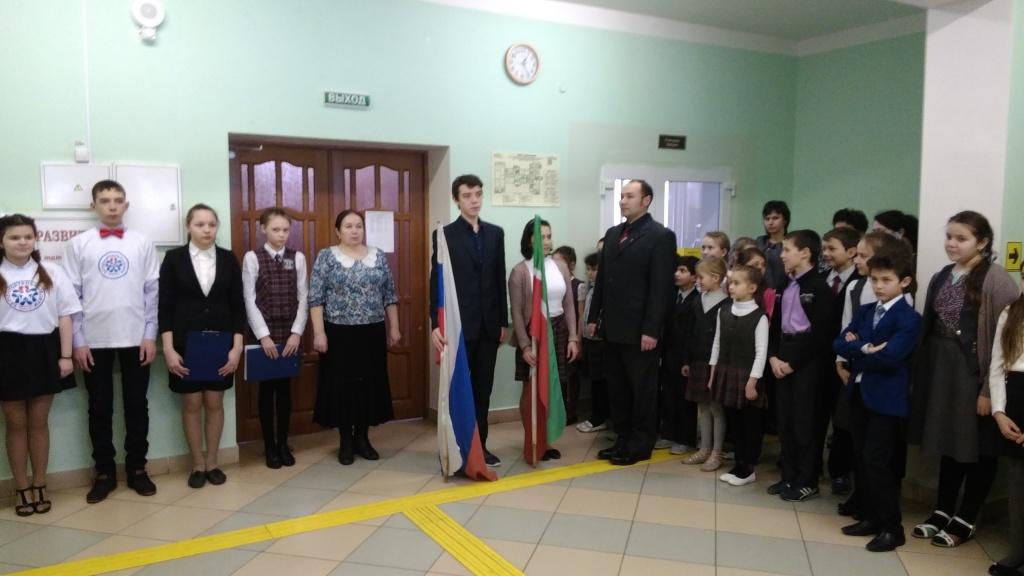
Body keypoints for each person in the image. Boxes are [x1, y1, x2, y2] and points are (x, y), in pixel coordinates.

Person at [909, 211, 1020, 548]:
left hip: (974, 375)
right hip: (941, 371)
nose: (952, 244)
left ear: (982, 242)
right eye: (949, 237)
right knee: (948, 442)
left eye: (961, 238)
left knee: (977, 447)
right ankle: (942, 509)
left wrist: (987, 391)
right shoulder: (943, 275)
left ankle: (968, 516)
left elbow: (1004, 342)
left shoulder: (997, 280)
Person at [63, 180, 160, 503]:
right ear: (94, 205)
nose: (112, 205)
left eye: (118, 200)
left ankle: (137, 469)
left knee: (137, 406)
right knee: (99, 407)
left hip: (136, 337)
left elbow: (152, 293)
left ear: (126, 205)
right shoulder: (78, 244)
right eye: (105, 200)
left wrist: (150, 335)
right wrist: (77, 341)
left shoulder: (142, 242)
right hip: (93, 340)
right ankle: (104, 472)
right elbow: (71, 296)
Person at [834, 250, 921, 552]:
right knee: (860, 456)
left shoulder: (909, 318)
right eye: (874, 280)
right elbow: (838, 342)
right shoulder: (866, 310)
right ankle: (869, 516)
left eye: (886, 280)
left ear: (904, 281)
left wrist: (857, 348)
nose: (879, 286)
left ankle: (892, 527)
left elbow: (891, 358)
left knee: (877, 461)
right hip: (858, 392)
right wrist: (866, 348)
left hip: (886, 398)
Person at [587, 179, 676, 466]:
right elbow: (603, 280)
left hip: (641, 331)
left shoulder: (660, 236)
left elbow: (661, 288)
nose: (622, 201)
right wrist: (593, 316)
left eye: (629, 196)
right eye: (622, 196)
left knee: (642, 391)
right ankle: (622, 438)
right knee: (618, 389)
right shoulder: (614, 234)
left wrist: (652, 329)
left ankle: (640, 444)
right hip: (613, 327)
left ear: (646, 200)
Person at [159, 204, 245, 489]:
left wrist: (237, 348)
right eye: (200, 224)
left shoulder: (228, 258)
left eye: (211, 224)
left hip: (221, 343)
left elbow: (238, 306)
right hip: (185, 344)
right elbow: (165, 307)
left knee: (215, 402)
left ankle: (213, 463)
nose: (207, 230)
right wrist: (168, 349)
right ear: (189, 227)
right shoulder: (174, 259)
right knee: (192, 402)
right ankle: (197, 464)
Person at [0, 215, 79, 516]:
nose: (22, 242)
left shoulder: (52, 271)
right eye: (14, 237)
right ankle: (22, 488)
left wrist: (66, 356)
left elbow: (65, 316)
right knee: (15, 424)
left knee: (38, 422)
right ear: (1, 242)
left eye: (27, 237)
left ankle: (40, 484)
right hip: (7, 352)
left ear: (35, 239)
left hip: (45, 349)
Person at [310, 210, 400, 465]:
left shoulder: (378, 256)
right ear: (338, 231)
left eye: (358, 225)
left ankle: (363, 437)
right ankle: (345, 440)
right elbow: (315, 298)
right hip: (339, 333)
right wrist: (319, 332)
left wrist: (394, 327)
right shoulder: (326, 257)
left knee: (368, 385)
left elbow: (390, 295)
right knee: (343, 387)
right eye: (348, 226)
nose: (354, 230)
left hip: (372, 332)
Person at [430, 175, 508, 466]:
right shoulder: (445, 235)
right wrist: (435, 324)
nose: (474, 200)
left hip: (489, 326)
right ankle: (457, 447)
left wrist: (503, 322)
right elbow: (436, 282)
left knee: (483, 390)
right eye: (467, 195)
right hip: (458, 326)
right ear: (456, 200)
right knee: (459, 389)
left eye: (478, 194)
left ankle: (480, 447)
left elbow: (499, 278)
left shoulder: (495, 234)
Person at [767, 229, 834, 502]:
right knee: (785, 420)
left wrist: (793, 363)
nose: (782, 255)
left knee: (805, 421)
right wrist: (773, 356)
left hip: (806, 360)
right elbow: (774, 323)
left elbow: (821, 334)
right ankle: (789, 475)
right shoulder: (785, 282)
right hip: (783, 352)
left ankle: (807, 479)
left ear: (805, 253)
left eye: (787, 250)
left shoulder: (819, 287)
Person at [242, 208, 308, 469]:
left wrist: (297, 333)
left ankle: (283, 444)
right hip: (265, 334)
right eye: (276, 230)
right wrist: (263, 336)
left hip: (290, 334)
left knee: (285, 390)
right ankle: (269, 446)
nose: (281, 235)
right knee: (266, 390)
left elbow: (304, 296)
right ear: (263, 229)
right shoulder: (252, 258)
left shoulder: (297, 258)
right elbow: (249, 298)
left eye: (285, 230)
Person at [508, 220, 578, 464]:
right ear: (530, 240)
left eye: (549, 236)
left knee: (553, 386)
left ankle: (546, 440)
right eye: (542, 237)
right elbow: (517, 313)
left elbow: (569, 304)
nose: (548, 241)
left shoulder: (560, 266)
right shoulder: (520, 271)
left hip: (558, 330)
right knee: (531, 388)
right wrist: (525, 345)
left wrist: (573, 337)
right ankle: (533, 438)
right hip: (533, 332)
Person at [711, 264, 769, 486]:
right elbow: (716, 344)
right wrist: (713, 373)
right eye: (730, 282)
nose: (731, 286)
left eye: (736, 283)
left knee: (749, 423)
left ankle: (748, 468)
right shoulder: (723, 311)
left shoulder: (759, 317)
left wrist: (752, 382)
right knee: (734, 422)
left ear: (752, 287)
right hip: (726, 372)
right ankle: (738, 464)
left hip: (748, 377)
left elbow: (761, 352)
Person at [819, 226, 863, 496]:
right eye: (824, 248)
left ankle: (840, 471)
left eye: (832, 249)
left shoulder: (860, 282)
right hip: (819, 358)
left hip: (844, 360)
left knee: (842, 419)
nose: (826, 253)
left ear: (851, 251)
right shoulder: (822, 279)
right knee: (817, 414)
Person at [988, 270, 1024, 575]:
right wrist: (999, 412)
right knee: (1017, 482)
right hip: (1016, 400)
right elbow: (998, 367)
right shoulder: (1011, 312)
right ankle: (1017, 551)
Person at [682, 257, 730, 471]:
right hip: (698, 360)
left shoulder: (726, 304)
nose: (698, 281)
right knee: (702, 405)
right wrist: (687, 359)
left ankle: (717, 452)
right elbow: (690, 332)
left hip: (716, 362)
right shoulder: (697, 301)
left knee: (716, 407)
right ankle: (704, 448)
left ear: (716, 278)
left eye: (701, 277)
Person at [657, 255, 700, 454]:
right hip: (668, 353)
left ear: (694, 276)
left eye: (682, 271)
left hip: (684, 355)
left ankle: (685, 438)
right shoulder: (672, 296)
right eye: (676, 270)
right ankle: (668, 433)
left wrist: (687, 359)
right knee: (668, 395)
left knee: (684, 399)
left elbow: (692, 333)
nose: (677, 274)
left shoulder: (696, 300)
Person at [576, 252, 609, 433]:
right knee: (593, 381)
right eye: (588, 269)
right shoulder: (590, 289)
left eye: (594, 269)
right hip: (589, 340)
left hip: (600, 341)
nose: (590, 273)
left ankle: (600, 417)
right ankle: (596, 415)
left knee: (600, 382)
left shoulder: (605, 291)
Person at [553, 244, 582, 424]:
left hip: (570, 337)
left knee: (570, 376)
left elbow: (579, 315)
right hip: (557, 335)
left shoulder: (577, 285)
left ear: (571, 265)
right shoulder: (553, 284)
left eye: (560, 263)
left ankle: (570, 411)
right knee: (558, 375)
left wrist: (576, 339)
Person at [756, 200, 790, 290]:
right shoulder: (759, 242)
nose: (770, 222)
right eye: (767, 219)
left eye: (775, 218)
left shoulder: (790, 244)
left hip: (783, 290)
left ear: (785, 220)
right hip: (759, 290)